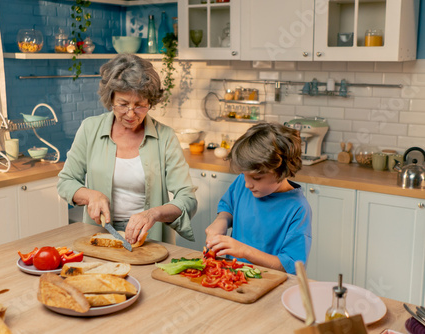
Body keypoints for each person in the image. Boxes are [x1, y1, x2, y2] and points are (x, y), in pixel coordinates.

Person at [57, 54, 197, 245]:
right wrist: (91, 195)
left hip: (149, 238)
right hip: (99, 234)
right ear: (110, 99)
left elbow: (187, 198)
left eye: (140, 106)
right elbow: (66, 182)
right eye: (123, 104)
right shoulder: (90, 129)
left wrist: (154, 214)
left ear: (150, 103)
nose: (131, 114)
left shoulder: (165, 137)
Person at [205, 123, 312, 274]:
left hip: (270, 284)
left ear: (282, 171)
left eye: (257, 178)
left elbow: (291, 265)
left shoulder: (298, 209)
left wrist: (245, 251)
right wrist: (221, 221)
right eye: (244, 174)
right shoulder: (243, 182)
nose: (247, 184)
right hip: (232, 275)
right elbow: (227, 206)